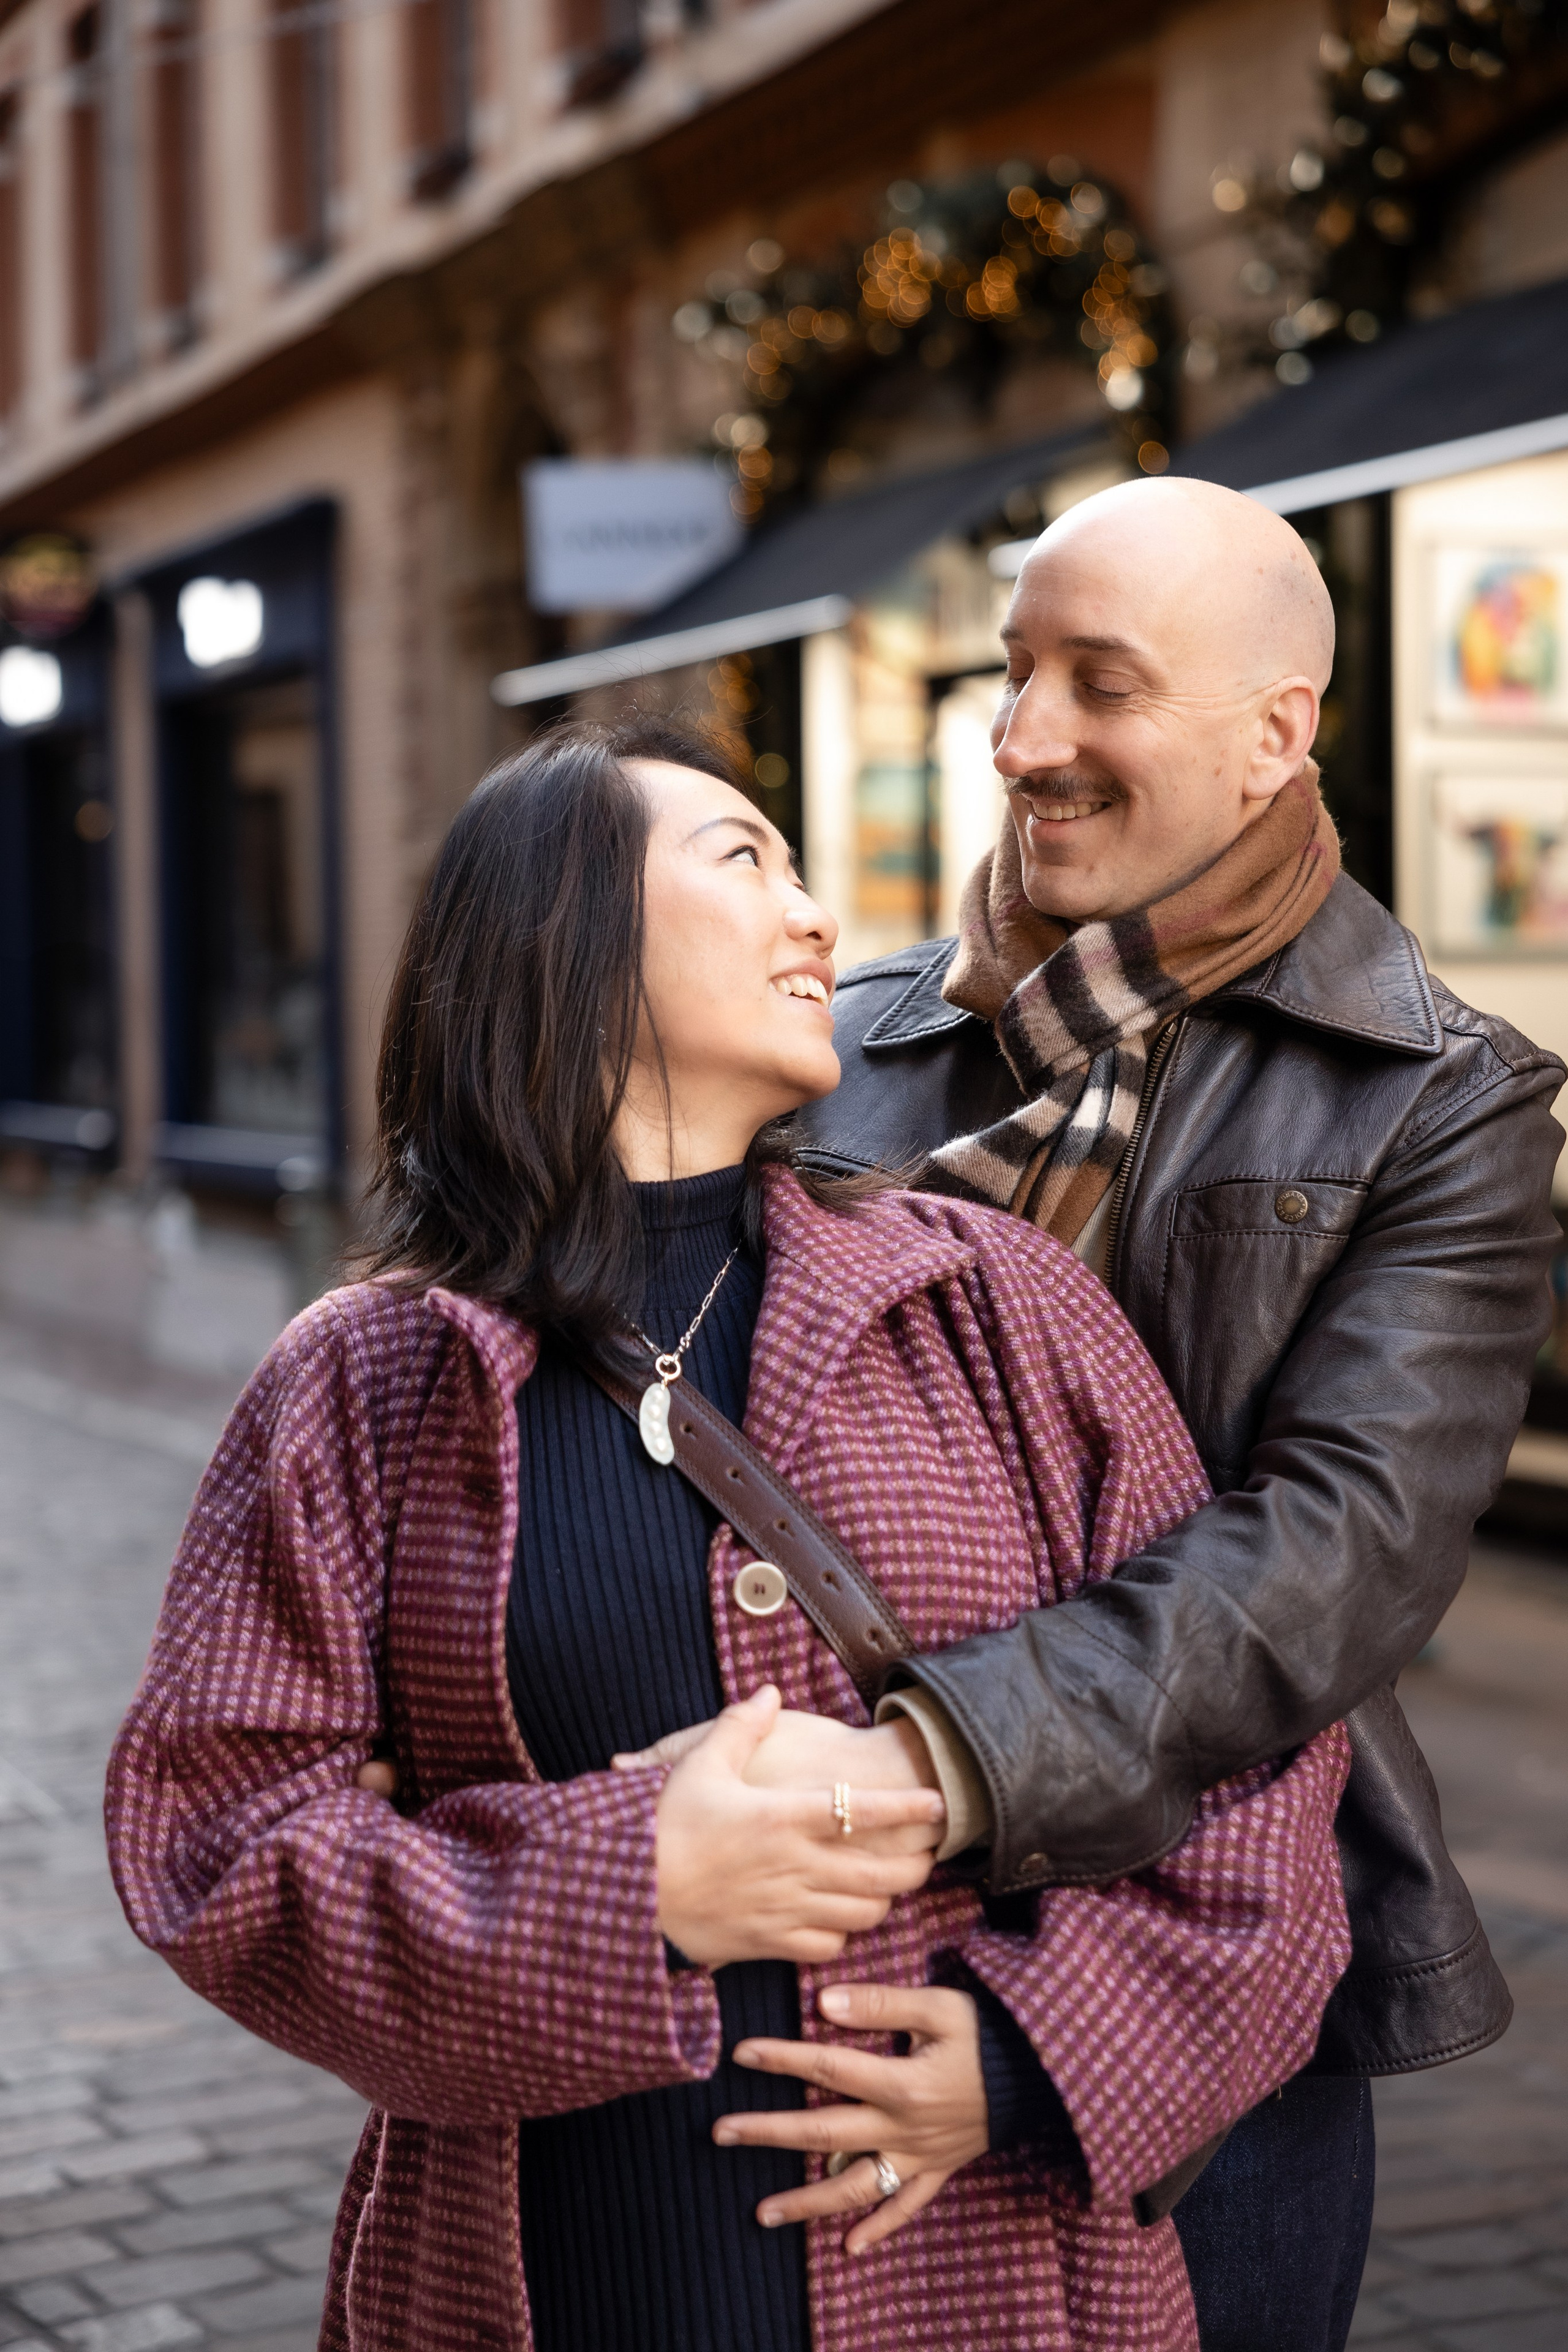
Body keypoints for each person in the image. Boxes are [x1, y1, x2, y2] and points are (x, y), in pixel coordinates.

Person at [108, 718, 1351, 2352]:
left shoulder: (996, 1301)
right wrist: (631, 1888)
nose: (819, 914)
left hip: (995, 2270)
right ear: (569, 937)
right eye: (746, 860)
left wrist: (1039, 2059)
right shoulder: (363, 1380)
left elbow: (1253, 1747)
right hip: (547, 2271)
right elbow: (215, 1838)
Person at [782, 475, 1566, 2352]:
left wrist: (931, 1760)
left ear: (1275, 732)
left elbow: (1339, 1557)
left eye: (1100, 684)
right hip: (829, 1930)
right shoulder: (840, 1037)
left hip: (1213, 1960)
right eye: (1014, 670)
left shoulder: (1446, 1103)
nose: (1021, 739)